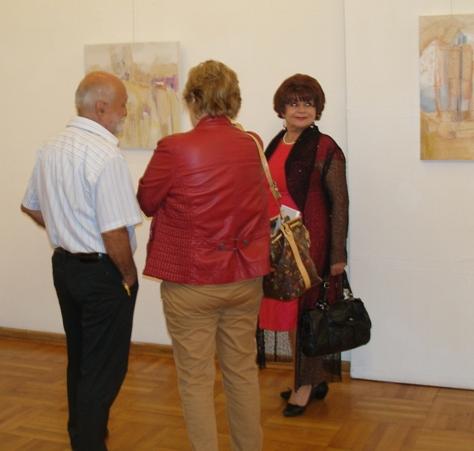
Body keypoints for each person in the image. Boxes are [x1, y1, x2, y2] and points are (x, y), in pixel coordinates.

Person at [137, 60, 270, 451]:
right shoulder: (252, 144)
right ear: (233, 100)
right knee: (242, 372)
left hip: (191, 282)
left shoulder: (174, 148)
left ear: (192, 99)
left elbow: (146, 202)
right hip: (245, 278)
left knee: (196, 381)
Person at [21, 71, 141, 451]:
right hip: (104, 274)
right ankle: (89, 442)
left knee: (81, 359)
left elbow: (30, 206)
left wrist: (65, 228)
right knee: (104, 370)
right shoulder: (106, 156)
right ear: (101, 108)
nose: (126, 113)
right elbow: (113, 232)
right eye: (122, 105)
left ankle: (82, 435)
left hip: (65, 268)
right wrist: (128, 277)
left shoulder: (50, 146)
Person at [257, 74, 349, 417]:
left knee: (308, 314)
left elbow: (340, 203)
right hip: (281, 244)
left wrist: (337, 255)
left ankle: (304, 386)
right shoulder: (275, 143)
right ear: (282, 108)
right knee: (293, 315)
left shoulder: (325, 147)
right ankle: (313, 378)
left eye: (309, 103)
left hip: (312, 243)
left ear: (318, 108)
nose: (301, 109)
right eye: (294, 102)